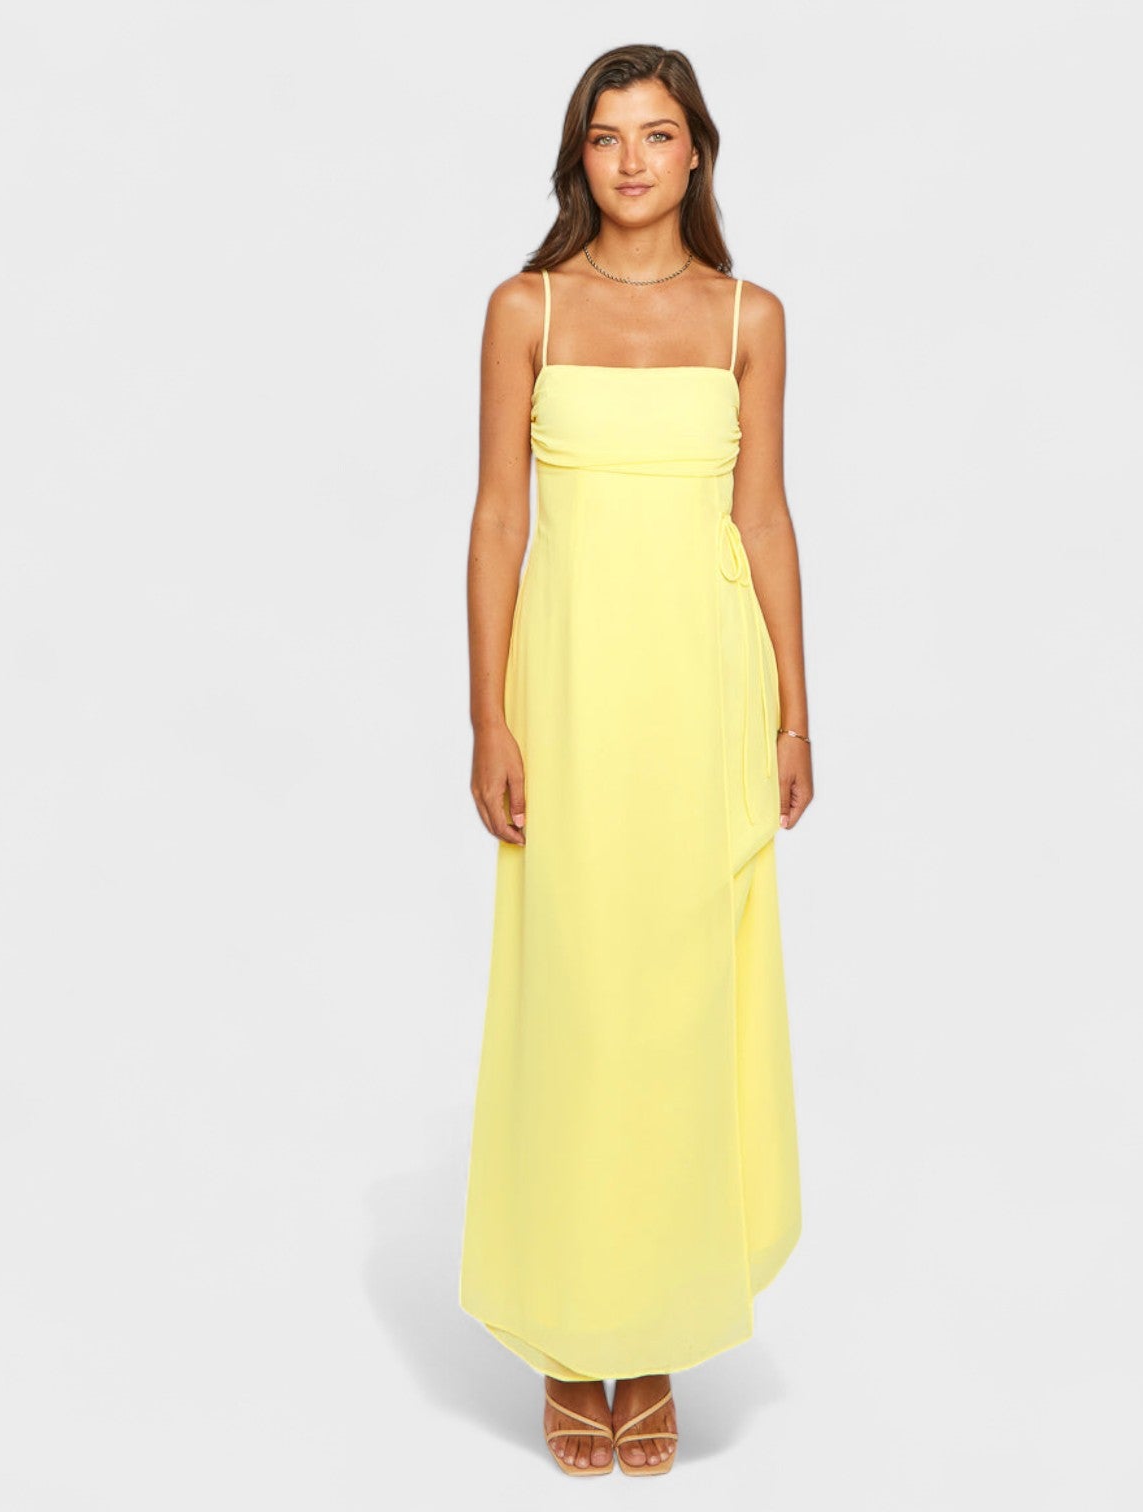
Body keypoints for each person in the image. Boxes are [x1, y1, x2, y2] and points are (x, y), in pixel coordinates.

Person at [459, 43, 813, 1476]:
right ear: (580, 156)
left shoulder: (749, 318)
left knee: (675, 1006)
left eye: (657, 136)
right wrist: (488, 717)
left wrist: (795, 712)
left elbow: (765, 515)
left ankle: (653, 1331)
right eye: (607, 138)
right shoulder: (526, 308)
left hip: (703, 696)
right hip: (572, 694)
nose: (632, 162)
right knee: (576, 998)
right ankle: (568, 1337)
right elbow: (498, 520)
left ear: (696, 152)